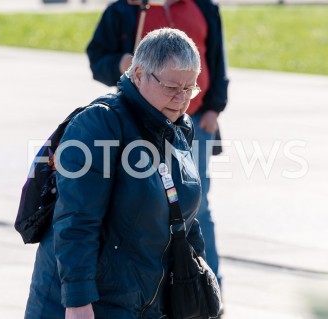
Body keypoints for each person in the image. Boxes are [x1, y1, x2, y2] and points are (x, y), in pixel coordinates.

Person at [25, 28, 206, 319]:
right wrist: (77, 302)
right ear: (138, 75)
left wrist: (197, 277)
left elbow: (184, 215)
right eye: (172, 87)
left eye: (189, 88)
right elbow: (76, 220)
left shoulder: (178, 127)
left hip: (145, 303)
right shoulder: (99, 124)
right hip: (88, 303)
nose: (181, 99)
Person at [86, 0, 229, 289]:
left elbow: (216, 59)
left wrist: (214, 108)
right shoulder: (124, 9)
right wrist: (120, 64)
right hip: (142, 125)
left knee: (198, 208)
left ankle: (207, 286)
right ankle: (156, 283)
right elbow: (97, 58)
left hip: (197, 121)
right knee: (146, 206)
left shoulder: (204, 7)